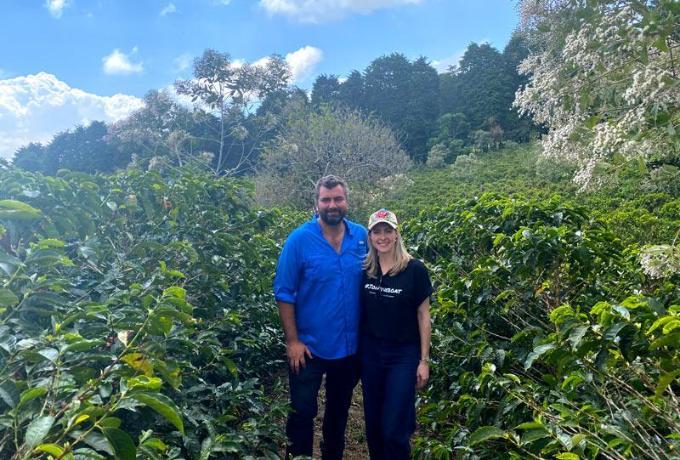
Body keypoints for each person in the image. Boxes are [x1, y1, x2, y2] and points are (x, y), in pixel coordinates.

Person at [274, 175, 368, 459]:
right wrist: (292, 341)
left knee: (338, 413)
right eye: (326, 200)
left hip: (349, 348)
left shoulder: (362, 236)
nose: (332, 205)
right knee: (302, 413)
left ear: (346, 201)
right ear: (316, 204)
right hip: (308, 348)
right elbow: (284, 292)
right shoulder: (299, 240)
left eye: (338, 199)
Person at [360, 208, 433, 460]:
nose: (382, 237)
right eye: (377, 232)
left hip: (403, 354)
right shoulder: (365, 270)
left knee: (394, 427)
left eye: (387, 231)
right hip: (371, 353)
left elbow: (424, 315)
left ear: (396, 234)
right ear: (370, 236)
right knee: (374, 425)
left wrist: (424, 360)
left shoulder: (414, 270)